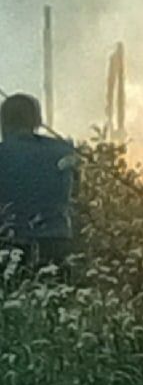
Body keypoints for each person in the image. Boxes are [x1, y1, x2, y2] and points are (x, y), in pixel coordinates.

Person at [0, 94, 77, 274]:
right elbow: (75, 192)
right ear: (38, 121)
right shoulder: (63, 150)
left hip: (10, 242)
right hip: (57, 241)